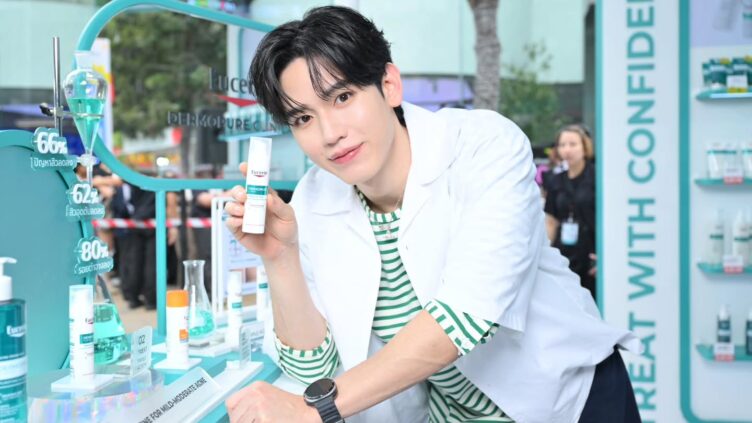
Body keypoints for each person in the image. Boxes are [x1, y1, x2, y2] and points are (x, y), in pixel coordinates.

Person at [224, 6, 641, 423]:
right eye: (303, 118)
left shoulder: (484, 146)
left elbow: (465, 316)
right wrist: (281, 258)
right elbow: (315, 371)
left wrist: (318, 409)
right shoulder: (312, 198)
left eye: (343, 97)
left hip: (569, 402)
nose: (330, 133)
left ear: (389, 85)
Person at [544, 125, 597, 299]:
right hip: (564, 253)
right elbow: (551, 221)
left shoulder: (597, 177)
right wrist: (547, 254)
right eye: (563, 145)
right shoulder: (555, 181)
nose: (567, 149)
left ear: (585, 147)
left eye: (573, 144)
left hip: (591, 254)